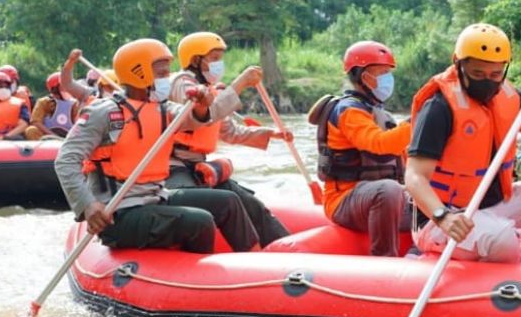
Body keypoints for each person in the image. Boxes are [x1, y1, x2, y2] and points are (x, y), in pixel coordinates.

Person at [54, 38, 258, 253]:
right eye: (161, 74)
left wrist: (200, 106)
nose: (167, 80)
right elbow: (65, 160)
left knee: (229, 201)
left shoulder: (163, 109)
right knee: (200, 222)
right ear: (139, 73)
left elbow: (202, 118)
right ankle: (194, 279)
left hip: (156, 196)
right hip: (118, 212)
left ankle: (255, 261)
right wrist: (87, 205)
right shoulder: (103, 113)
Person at [405, 23, 521, 265]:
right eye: (477, 74)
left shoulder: (508, 97)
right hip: (444, 217)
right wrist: (442, 217)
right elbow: (414, 176)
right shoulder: (439, 108)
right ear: (458, 63)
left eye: (495, 75)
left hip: (492, 205)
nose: (487, 81)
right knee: (504, 239)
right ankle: (429, 253)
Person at [166, 32, 291, 247]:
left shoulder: (211, 90)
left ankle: (288, 249)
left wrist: (269, 133)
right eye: (214, 58)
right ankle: (249, 256)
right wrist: (240, 83)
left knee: (251, 204)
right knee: (223, 202)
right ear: (196, 60)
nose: (219, 64)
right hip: (174, 169)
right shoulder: (183, 84)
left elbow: (230, 132)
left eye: (220, 58)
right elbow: (205, 115)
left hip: (200, 167)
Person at [311, 40, 412, 256]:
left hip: (379, 198)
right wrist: (415, 123)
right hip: (344, 200)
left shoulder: (379, 113)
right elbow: (379, 145)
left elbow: (404, 158)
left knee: (438, 198)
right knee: (388, 190)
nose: (388, 78)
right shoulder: (348, 111)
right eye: (382, 72)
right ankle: (384, 260)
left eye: (389, 72)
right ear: (364, 76)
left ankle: (419, 253)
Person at [25, 73, 81, 140]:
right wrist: (53, 135)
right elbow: (36, 121)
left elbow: (80, 124)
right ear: (55, 89)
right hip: (48, 136)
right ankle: (43, 149)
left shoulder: (76, 103)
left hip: (69, 136)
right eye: (64, 86)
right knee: (31, 130)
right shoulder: (44, 102)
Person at [0, 71, 30, 141]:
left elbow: (23, 125)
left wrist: (4, 137)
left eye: (6, 87)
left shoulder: (19, 103)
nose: (3, 89)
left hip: (10, 138)